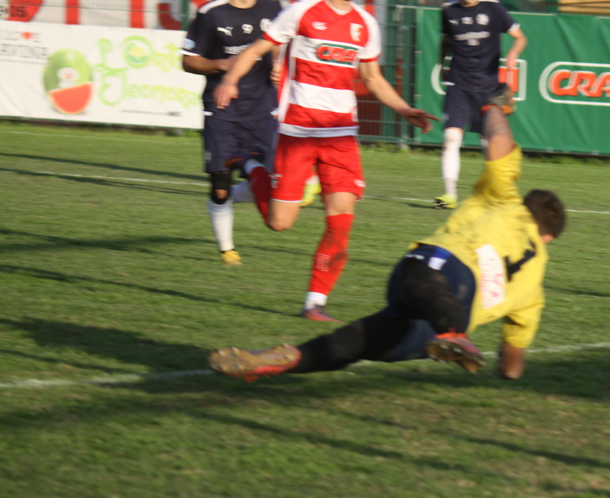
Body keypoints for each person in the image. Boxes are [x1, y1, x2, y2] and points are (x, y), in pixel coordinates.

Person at [209, 94, 566, 382]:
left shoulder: (506, 199)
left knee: (361, 337)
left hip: (433, 270)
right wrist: (506, 363)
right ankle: (452, 333)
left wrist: (491, 105)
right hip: (436, 325)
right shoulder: (534, 291)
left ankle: (284, 358)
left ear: (527, 207)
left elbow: (499, 138)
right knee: (359, 347)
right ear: (548, 237)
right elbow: (512, 368)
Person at [214, 0, 439, 321]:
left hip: (341, 136)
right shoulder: (303, 10)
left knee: (341, 221)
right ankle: (253, 166)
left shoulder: (365, 23)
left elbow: (373, 78)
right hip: (298, 132)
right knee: (279, 223)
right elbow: (255, 50)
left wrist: (404, 109)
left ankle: (314, 303)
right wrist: (230, 80)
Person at [183, 0, 299, 266]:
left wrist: (277, 63)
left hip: (262, 108)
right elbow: (188, 61)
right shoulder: (211, 13)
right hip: (221, 108)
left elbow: (281, 41)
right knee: (219, 189)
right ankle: (227, 250)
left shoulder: (273, 7)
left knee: (272, 182)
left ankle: (236, 187)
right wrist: (224, 65)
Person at [435, 0, 527, 210]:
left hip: (488, 89)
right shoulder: (449, 10)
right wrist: (441, 65)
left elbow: (520, 37)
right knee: (451, 138)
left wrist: (513, 53)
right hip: (458, 86)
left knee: (489, 145)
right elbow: (445, 41)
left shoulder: (493, 8)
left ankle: (493, 193)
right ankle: (449, 194)